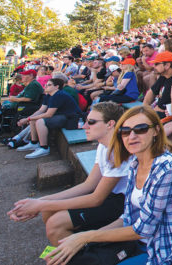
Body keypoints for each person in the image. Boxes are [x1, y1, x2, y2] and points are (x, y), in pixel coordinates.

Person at [45, 106, 172, 265]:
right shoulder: (134, 162)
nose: (132, 136)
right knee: (65, 257)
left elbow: (144, 229)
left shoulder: (166, 169)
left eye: (141, 129)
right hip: (136, 242)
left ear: (156, 131)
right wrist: (83, 241)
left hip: (160, 249)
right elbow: (127, 217)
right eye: (125, 131)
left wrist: (85, 238)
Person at [9, 103, 128, 245]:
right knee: (49, 209)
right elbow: (88, 184)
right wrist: (41, 201)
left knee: (56, 223)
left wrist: (39, 205)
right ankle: (64, 252)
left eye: (91, 122)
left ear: (110, 124)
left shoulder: (118, 151)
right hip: (110, 197)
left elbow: (96, 199)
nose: (84, 126)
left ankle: (76, 255)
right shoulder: (103, 146)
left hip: (122, 202)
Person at [19, 78, 83, 159]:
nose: (45, 86)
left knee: (40, 121)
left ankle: (44, 148)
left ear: (56, 87)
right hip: (61, 116)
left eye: (49, 85)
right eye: (46, 85)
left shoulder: (59, 95)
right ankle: (34, 143)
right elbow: (41, 110)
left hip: (71, 118)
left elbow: (49, 114)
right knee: (34, 119)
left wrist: (27, 119)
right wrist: (29, 118)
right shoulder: (49, 95)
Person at [142, 51, 172, 116]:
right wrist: (145, 107)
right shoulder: (164, 75)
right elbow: (151, 92)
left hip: (170, 116)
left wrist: (148, 111)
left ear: (167, 65)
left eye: (156, 64)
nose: (153, 66)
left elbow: (160, 107)